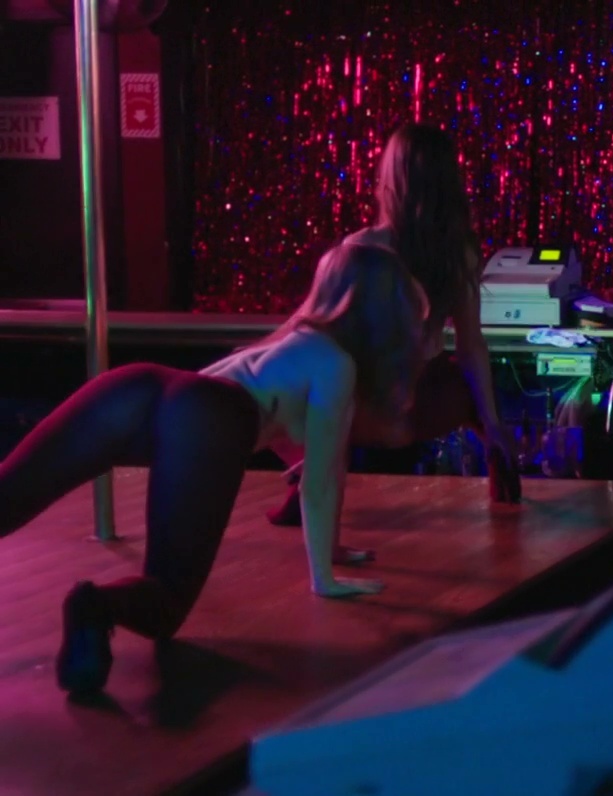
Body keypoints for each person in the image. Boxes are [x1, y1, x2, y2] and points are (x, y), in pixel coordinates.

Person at [0, 243, 420, 694]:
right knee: (166, 602)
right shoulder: (336, 365)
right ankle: (94, 607)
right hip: (205, 415)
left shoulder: (287, 342)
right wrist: (325, 579)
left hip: (140, 386)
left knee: (10, 494)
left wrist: (333, 547)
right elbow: (319, 482)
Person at [268, 123, 520, 528]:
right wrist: (492, 424)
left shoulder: (360, 249)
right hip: (429, 406)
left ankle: (311, 472)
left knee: (286, 381)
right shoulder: (460, 252)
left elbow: (314, 338)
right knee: (461, 379)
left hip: (370, 410)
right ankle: (500, 469)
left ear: (390, 180)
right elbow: (471, 347)